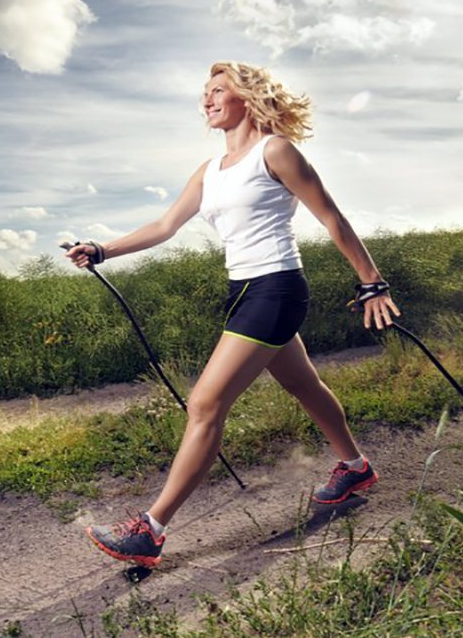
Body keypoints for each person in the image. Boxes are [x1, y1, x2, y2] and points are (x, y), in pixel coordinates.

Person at [63, 61, 400, 568]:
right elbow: (165, 224)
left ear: (247, 96)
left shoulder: (276, 151)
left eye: (218, 90)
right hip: (243, 291)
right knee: (303, 385)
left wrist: (372, 282)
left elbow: (331, 217)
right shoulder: (210, 170)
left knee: (204, 404)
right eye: (204, 92)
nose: (207, 100)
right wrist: (103, 248)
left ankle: (149, 530)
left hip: (277, 289)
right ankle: (354, 466)